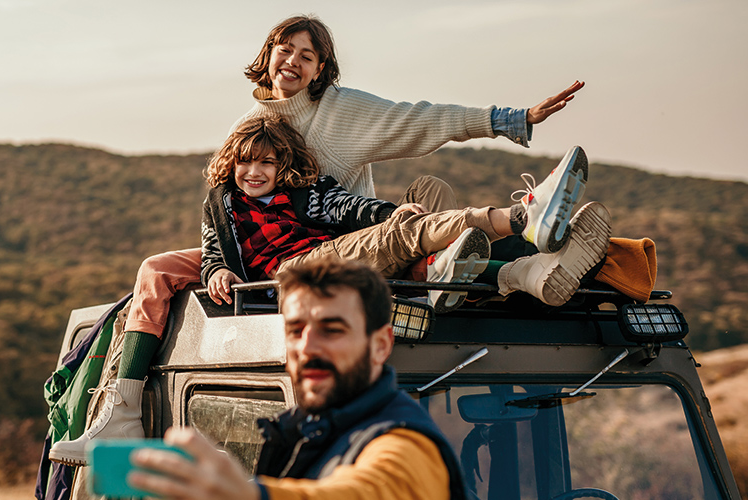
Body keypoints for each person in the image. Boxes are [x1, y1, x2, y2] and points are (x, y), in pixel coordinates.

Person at [49, 15, 586, 464]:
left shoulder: (340, 111)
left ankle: (525, 252)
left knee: (424, 209)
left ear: (321, 68)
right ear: (268, 55)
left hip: (343, 239)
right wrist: (215, 268)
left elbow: (419, 120)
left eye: (307, 56)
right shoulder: (249, 126)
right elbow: (223, 216)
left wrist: (511, 120)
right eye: (285, 49)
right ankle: (121, 411)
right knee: (157, 269)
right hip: (271, 257)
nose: (293, 62)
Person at [125, 257, 473, 500]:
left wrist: (252, 495)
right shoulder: (309, 430)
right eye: (295, 329)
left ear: (380, 344)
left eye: (332, 330)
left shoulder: (405, 446)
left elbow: (366, 491)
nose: (307, 346)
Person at [200, 116, 608, 311]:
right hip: (290, 276)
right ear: (231, 163)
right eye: (246, 163)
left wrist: (394, 212)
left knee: (431, 189)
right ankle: (521, 220)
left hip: (329, 253)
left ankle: (461, 271)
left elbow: (351, 208)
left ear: (282, 165)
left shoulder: (305, 191)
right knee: (396, 235)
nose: (254, 172)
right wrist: (216, 272)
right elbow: (212, 254)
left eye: (266, 164)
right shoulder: (223, 205)